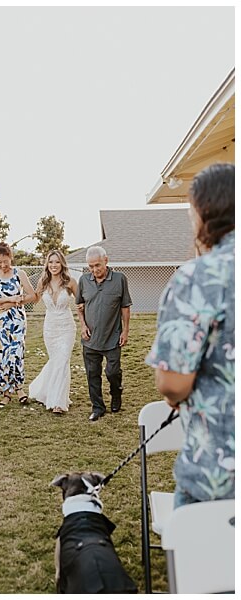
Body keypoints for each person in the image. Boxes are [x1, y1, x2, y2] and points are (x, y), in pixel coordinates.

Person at [146, 162, 234, 508]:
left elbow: (173, 383)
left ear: (204, 212)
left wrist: (173, 395)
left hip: (219, 481)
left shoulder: (198, 278)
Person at [76, 245, 131, 421]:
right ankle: (98, 407)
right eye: (91, 266)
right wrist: (83, 325)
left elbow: (125, 307)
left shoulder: (120, 279)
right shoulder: (84, 281)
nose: (94, 270)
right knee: (93, 375)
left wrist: (126, 330)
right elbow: (79, 307)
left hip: (113, 337)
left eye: (97, 265)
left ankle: (116, 394)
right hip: (90, 339)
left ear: (106, 260)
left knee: (112, 372)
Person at [0, 242, 37, 407]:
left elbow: (32, 296)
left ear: (10, 258)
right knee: (2, 357)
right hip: (0, 322)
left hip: (16, 320)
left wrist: (14, 304)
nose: (3, 265)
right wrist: (9, 299)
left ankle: (19, 389)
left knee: (15, 354)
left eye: (5, 262)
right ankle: (6, 393)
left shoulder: (19, 274)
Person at [28, 250, 78, 414]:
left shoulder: (70, 282)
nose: (54, 265)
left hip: (66, 327)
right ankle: (47, 391)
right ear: (47, 265)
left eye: (57, 262)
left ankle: (58, 403)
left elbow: (82, 302)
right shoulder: (43, 282)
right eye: (51, 262)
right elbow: (34, 299)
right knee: (56, 361)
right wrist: (15, 299)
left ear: (62, 264)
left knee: (62, 361)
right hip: (50, 328)